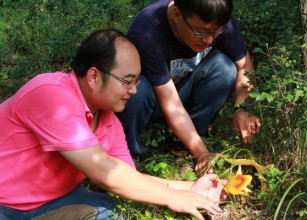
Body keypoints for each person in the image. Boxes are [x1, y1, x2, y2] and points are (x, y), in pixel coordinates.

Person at [0, 29, 226, 220]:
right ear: (94, 77)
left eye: (136, 81)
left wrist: (190, 187)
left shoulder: (109, 123)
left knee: (118, 212)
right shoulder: (52, 94)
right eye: (127, 81)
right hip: (4, 204)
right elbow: (102, 171)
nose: (134, 90)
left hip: (54, 201)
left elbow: (127, 177)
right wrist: (172, 198)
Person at [116, 0, 261, 174]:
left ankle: (192, 135)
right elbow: (171, 104)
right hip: (153, 98)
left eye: (216, 32)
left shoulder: (218, 19)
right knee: (136, 91)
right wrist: (203, 154)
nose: (208, 40)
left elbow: (245, 67)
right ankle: (129, 152)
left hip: (180, 89)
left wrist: (242, 106)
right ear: (177, 15)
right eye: (201, 32)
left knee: (224, 67)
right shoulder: (147, 32)